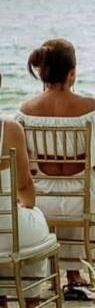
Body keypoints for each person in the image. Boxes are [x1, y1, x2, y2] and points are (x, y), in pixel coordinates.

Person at [16, 39, 95, 297]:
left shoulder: (25, 110)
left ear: (42, 71)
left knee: (68, 197)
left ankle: (70, 273)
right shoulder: (90, 108)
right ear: (72, 73)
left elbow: (26, 168)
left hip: (43, 198)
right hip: (82, 196)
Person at [0, 118, 54, 308]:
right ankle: (30, 301)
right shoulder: (8, 129)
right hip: (8, 230)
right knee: (34, 222)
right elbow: (24, 186)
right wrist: (27, 206)